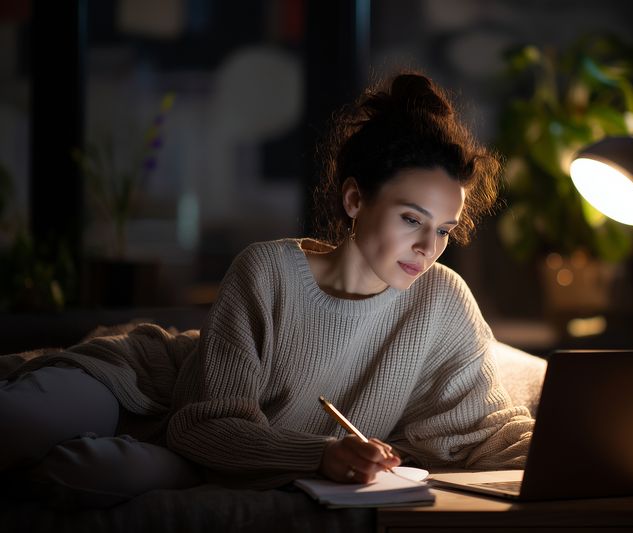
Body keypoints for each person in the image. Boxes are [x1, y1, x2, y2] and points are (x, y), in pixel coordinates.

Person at [0, 73, 533, 504]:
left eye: (443, 229)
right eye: (411, 219)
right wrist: (321, 455)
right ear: (354, 200)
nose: (428, 246)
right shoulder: (269, 271)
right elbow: (203, 423)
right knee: (19, 423)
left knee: (92, 471)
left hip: (226, 452)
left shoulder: (442, 299)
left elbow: (481, 429)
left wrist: (584, 448)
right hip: (147, 385)